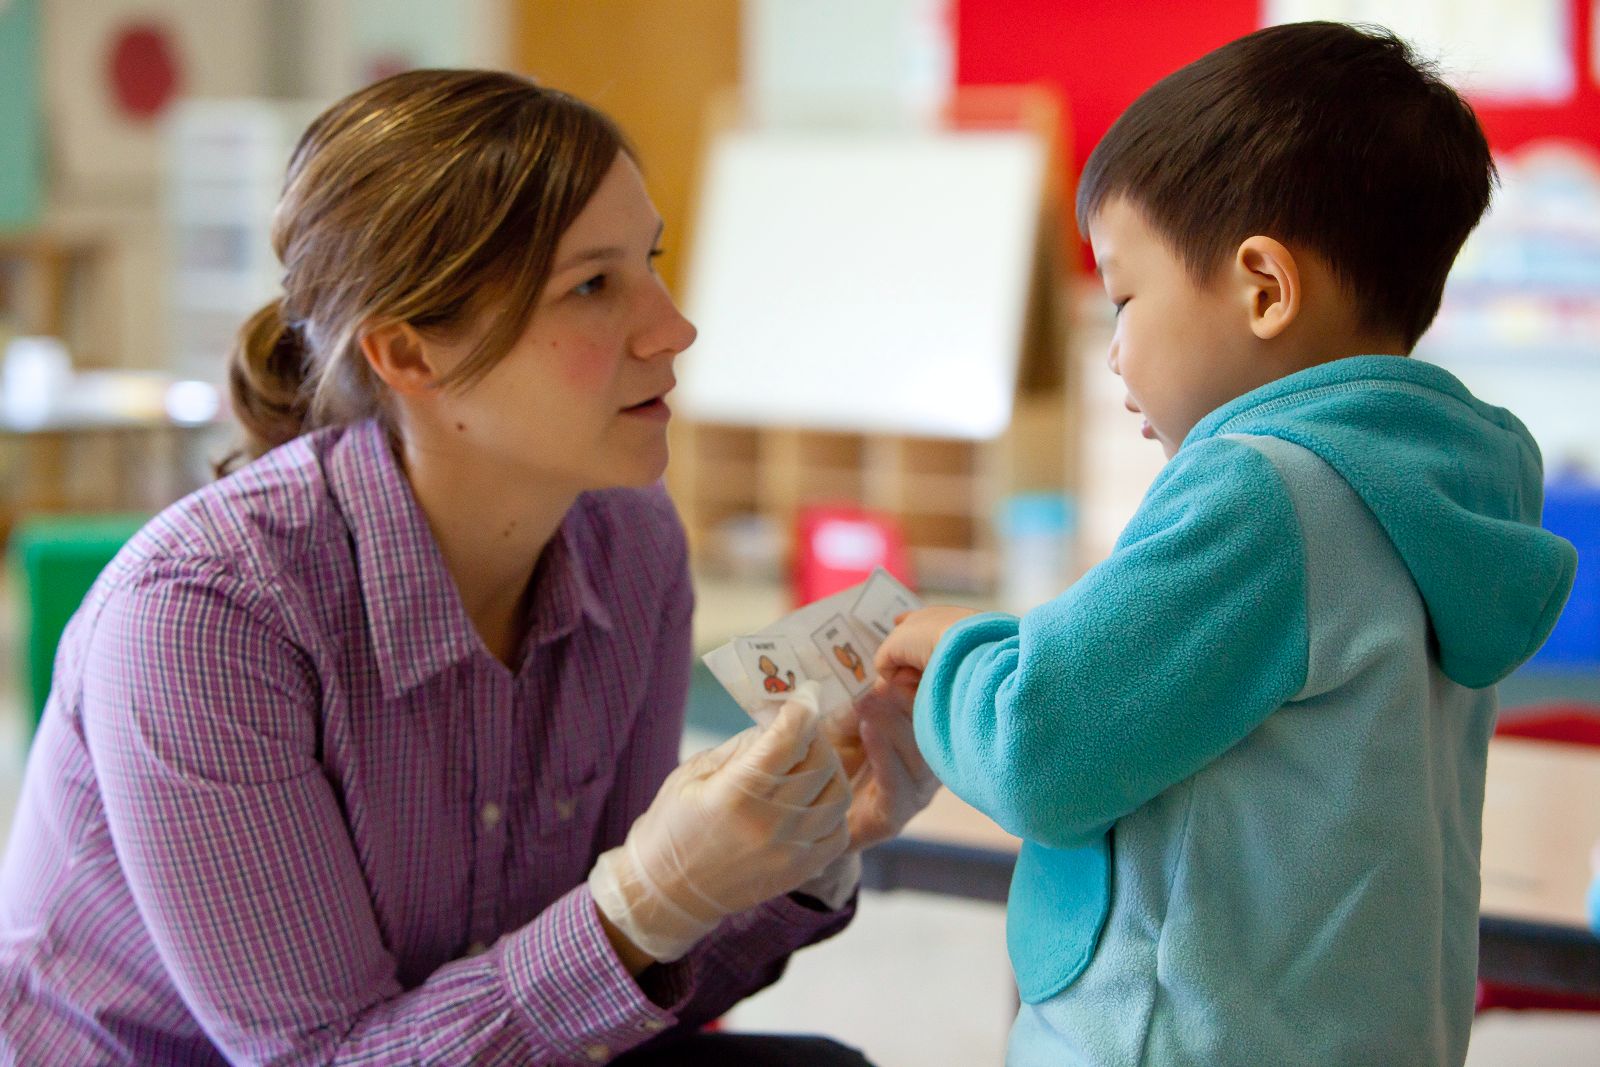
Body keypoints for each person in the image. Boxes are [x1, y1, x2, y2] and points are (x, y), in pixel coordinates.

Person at [0, 70, 935, 1065]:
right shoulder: (204, 614)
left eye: (648, 262)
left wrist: (799, 849)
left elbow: (620, 1003)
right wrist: (637, 903)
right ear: (408, 354)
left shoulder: (632, 543)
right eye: (591, 284)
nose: (673, 327)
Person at [875, 22, 1578, 1066]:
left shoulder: (1257, 490)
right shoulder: (1433, 485)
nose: (1112, 345)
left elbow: (1042, 749)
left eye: (1123, 295)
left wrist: (956, 652)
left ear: (1262, 287)